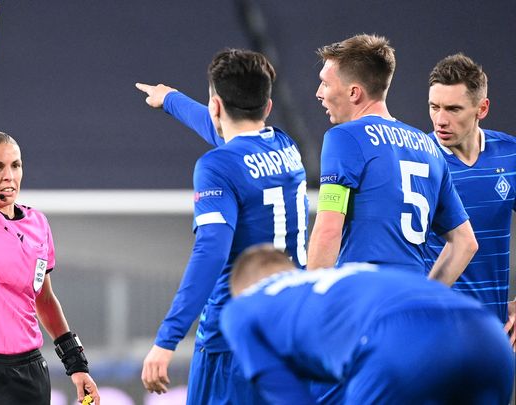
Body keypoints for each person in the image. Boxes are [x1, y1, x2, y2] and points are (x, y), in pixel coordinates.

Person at [136, 49, 309, 404]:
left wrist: (167, 339)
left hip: (231, 338)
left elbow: (211, 250)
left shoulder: (216, 167)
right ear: (268, 106)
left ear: (216, 105)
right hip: (290, 328)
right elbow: (230, 140)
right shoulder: (287, 148)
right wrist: (171, 99)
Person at [0, 33, 99, 404]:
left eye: (14, 165)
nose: (7, 175)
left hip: (28, 376)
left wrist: (75, 363)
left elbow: (43, 298)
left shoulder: (38, 224)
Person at [221, 244, 515, 404]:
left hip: (398, 341)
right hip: (485, 331)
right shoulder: (340, 278)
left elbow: (285, 393)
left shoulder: (242, 307)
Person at [307, 34, 477, 286]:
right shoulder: (429, 147)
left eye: (325, 84)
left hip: (364, 300)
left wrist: (306, 305)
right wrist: (426, 294)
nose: (319, 93)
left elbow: (328, 230)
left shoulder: (345, 138)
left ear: (354, 92)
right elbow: (465, 242)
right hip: (410, 305)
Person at [424, 53, 516, 349]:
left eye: (453, 109)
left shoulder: (510, 154)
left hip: (495, 338)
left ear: (482, 108)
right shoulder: (420, 160)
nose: (440, 119)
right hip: (435, 332)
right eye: (434, 107)